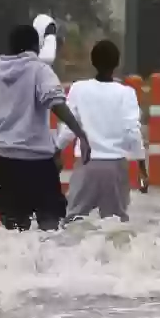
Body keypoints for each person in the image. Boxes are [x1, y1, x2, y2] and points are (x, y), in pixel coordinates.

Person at [0, 24, 92, 231]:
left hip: (4, 162)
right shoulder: (40, 70)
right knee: (51, 224)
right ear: (36, 46)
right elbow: (56, 103)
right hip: (37, 162)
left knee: (14, 227)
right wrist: (80, 134)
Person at [56, 40, 146, 222]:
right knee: (116, 224)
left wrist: (56, 150)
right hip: (115, 168)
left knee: (73, 221)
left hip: (86, 164)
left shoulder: (78, 89)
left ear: (92, 61)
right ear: (117, 63)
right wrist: (142, 167)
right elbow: (132, 132)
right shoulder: (126, 93)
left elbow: (68, 128)